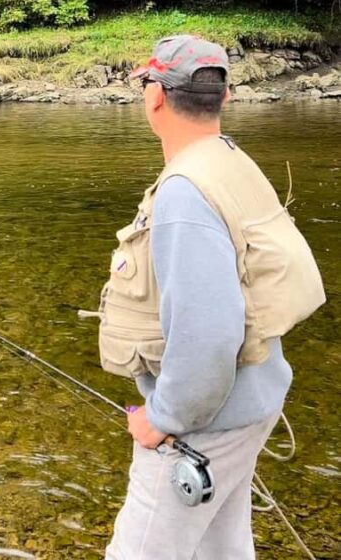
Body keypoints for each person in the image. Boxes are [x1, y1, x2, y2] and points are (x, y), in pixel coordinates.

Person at [99, 35, 325, 560]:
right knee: (221, 549)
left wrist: (163, 418)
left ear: (155, 96)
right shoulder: (230, 158)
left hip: (204, 425)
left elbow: (208, 336)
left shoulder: (184, 193)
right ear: (223, 96)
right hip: (252, 402)